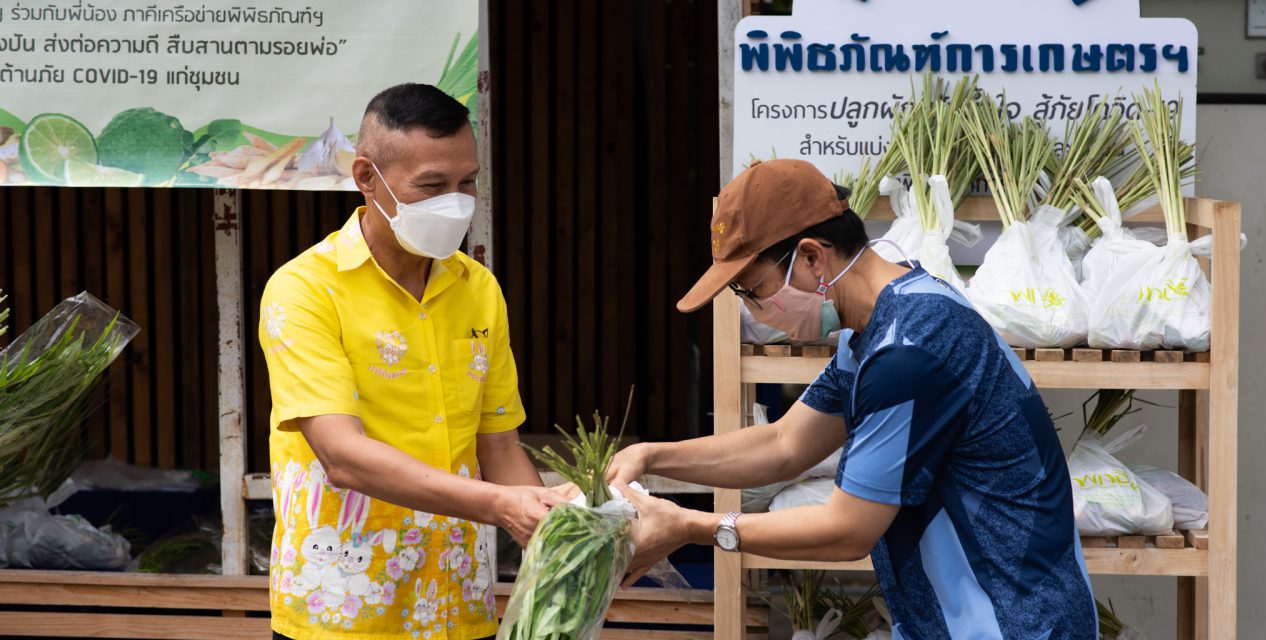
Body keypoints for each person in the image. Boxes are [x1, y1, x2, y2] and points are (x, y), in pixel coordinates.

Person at [611, 159, 1097, 638]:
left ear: (811, 257)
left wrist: (692, 526)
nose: (754, 309)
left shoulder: (910, 350)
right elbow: (784, 444)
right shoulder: (882, 326)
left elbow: (847, 530)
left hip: (1014, 623)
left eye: (754, 288)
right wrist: (651, 455)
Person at [259, 83, 565, 640]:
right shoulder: (304, 290)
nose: (455, 201)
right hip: (345, 610)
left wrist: (552, 526)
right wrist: (501, 505)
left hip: (460, 603)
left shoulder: (479, 289)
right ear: (366, 178)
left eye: (467, 182)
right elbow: (342, 455)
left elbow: (498, 444)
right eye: (431, 186)